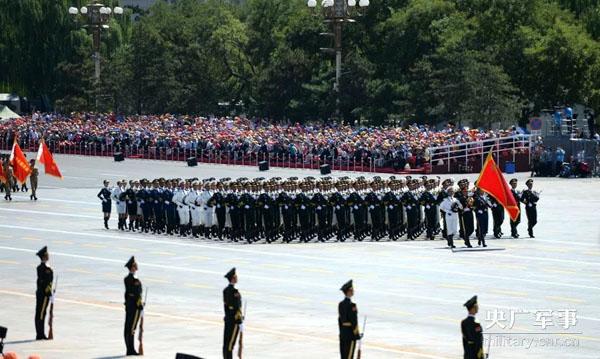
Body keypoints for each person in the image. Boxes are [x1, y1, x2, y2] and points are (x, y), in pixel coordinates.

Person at [123, 256, 143, 356]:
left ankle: (129, 348)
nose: (137, 266)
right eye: (135, 265)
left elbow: (127, 295)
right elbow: (137, 295)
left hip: (129, 307)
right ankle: (131, 350)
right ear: (133, 267)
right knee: (132, 329)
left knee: (128, 328)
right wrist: (140, 305)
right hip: (135, 308)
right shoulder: (135, 280)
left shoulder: (126, 279)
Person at [223, 268, 243, 359]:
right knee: (231, 344)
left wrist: (227, 316)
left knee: (226, 343)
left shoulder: (225, 290)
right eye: (236, 276)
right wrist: (239, 319)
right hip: (234, 321)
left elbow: (226, 307)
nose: (237, 278)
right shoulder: (235, 292)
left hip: (228, 319)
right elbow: (237, 307)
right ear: (233, 278)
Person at [338, 280, 361, 359]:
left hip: (343, 335)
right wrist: (357, 335)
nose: (353, 291)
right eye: (352, 290)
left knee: (343, 356)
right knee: (349, 356)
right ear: (348, 292)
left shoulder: (340, 304)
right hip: (350, 335)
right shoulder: (352, 306)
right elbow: (354, 322)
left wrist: (341, 332)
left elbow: (340, 320)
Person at [35, 246, 53, 340]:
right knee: (42, 314)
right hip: (44, 295)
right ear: (45, 256)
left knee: (39, 313)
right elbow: (47, 283)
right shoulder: (47, 269)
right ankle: (40, 334)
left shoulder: (39, 267)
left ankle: (39, 333)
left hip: (39, 293)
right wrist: (50, 293)